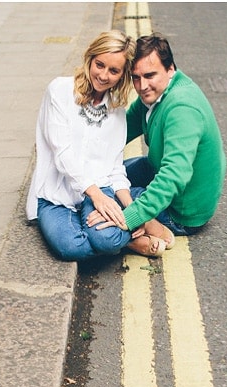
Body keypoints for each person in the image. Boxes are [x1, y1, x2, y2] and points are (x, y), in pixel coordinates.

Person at [25, 30, 170, 261]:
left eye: (114, 71)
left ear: (122, 75)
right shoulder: (60, 91)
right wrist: (97, 198)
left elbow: (113, 169)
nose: (103, 75)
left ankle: (126, 218)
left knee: (106, 239)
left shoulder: (116, 111)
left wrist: (133, 210)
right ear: (90, 59)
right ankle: (131, 241)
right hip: (56, 195)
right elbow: (62, 154)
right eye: (99, 65)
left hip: (101, 190)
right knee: (71, 247)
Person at [87, 34, 226, 238]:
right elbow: (119, 132)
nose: (142, 86)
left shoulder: (182, 108)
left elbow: (173, 175)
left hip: (182, 210)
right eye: (136, 77)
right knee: (102, 177)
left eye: (150, 75)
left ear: (170, 69)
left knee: (104, 203)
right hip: (156, 167)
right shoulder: (157, 94)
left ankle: (150, 234)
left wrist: (129, 217)